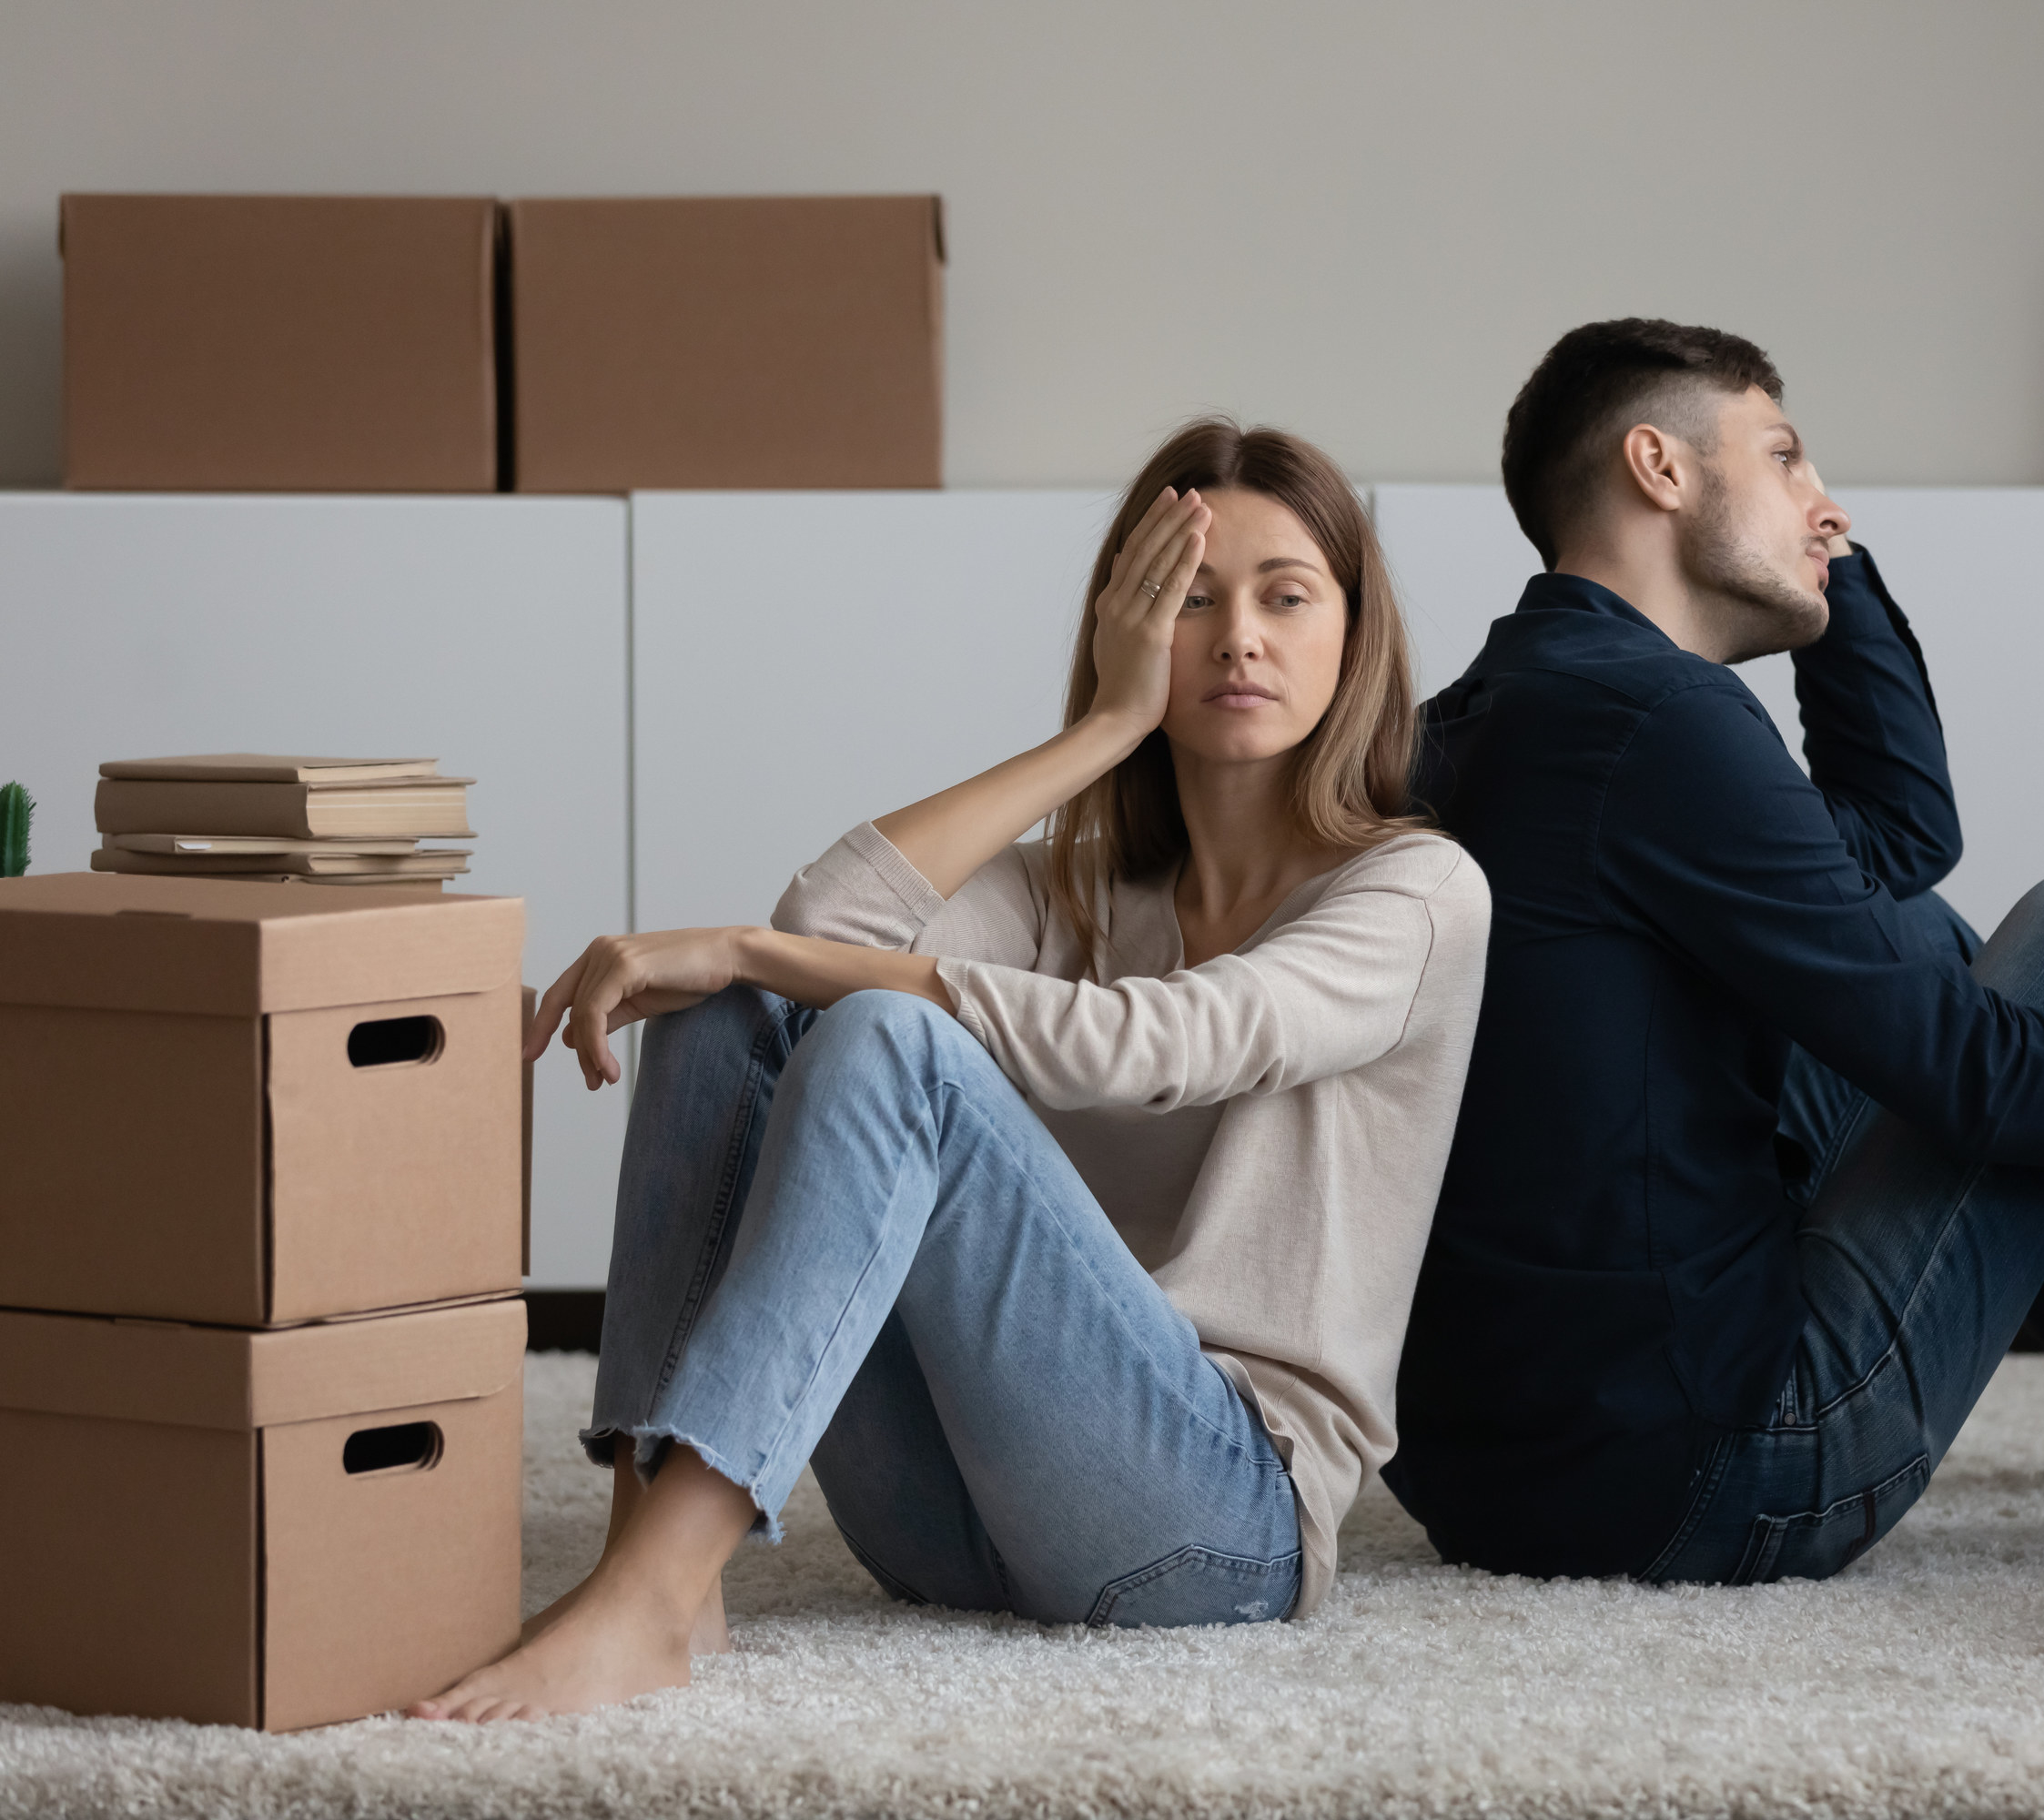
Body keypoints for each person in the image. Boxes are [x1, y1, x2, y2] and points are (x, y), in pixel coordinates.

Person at [415, 420, 1489, 1722]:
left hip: (1215, 1525)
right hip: (955, 1521)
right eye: (1191, 598)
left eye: (1285, 595)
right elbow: (817, 934)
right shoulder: (1073, 891)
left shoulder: (1417, 890)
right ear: (1130, 626)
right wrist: (1102, 730)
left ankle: (645, 1598)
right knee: (727, 1004)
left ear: (1354, 634)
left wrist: (755, 943)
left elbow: (1166, 1046)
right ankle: (655, 1576)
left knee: (876, 1028)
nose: (1239, 636)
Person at [1382, 319, 2044, 1588]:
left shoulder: (1489, 717)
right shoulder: (1663, 721)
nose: (1828, 506)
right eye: (1788, 457)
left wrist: (1828, 569)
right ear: (1661, 468)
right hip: (1714, 1474)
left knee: (1913, 945)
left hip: (1490, 1483)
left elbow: (1897, 844)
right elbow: (1969, 1070)